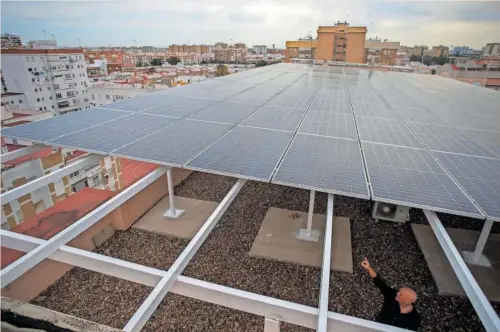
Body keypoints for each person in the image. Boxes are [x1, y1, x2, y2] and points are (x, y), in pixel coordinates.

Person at [361, 258, 421, 331]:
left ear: (406, 301)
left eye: (400, 294)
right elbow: (380, 283)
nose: (397, 293)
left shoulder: (414, 319)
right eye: (399, 291)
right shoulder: (392, 295)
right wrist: (369, 268)